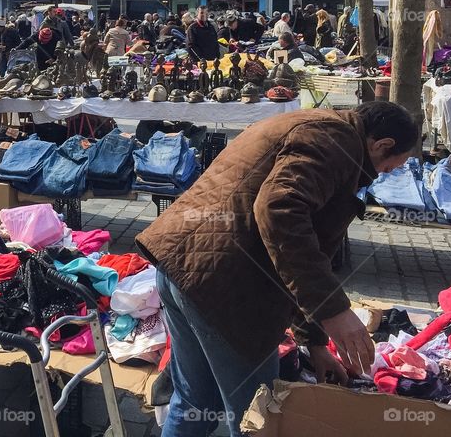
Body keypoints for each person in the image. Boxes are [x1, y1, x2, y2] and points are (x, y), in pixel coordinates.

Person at [137, 102, 420, 437]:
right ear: (382, 145)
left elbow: (305, 248)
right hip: (223, 286)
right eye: (390, 166)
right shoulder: (337, 139)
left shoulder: (317, 125)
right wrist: (334, 311)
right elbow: (279, 210)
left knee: (195, 401)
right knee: (258, 416)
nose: (385, 174)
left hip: (183, 267)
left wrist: (314, 340)